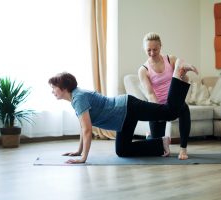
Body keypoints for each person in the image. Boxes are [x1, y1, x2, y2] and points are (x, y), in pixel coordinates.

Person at [48, 63, 198, 164]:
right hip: (122, 118)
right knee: (122, 150)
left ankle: (179, 74)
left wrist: (83, 158)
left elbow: (87, 131)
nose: (52, 91)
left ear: (63, 87)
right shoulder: (76, 97)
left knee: (169, 113)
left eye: (54, 87)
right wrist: (78, 151)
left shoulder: (78, 98)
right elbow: (83, 127)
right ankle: (161, 144)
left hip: (128, 107)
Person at [138, 32, 195, 160]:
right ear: (144, 49)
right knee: (158, 152)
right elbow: (150, 94)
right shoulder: (143, 70)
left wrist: (183, 73)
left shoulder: (171, 59)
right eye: (149, 50)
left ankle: (183, 149)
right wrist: (161, 111)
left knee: (184, 109)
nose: (152, 53)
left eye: (155, 49)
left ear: (161, 46)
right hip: (157, 106)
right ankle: (150, 138)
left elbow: (185, 81)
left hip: (174, 103)